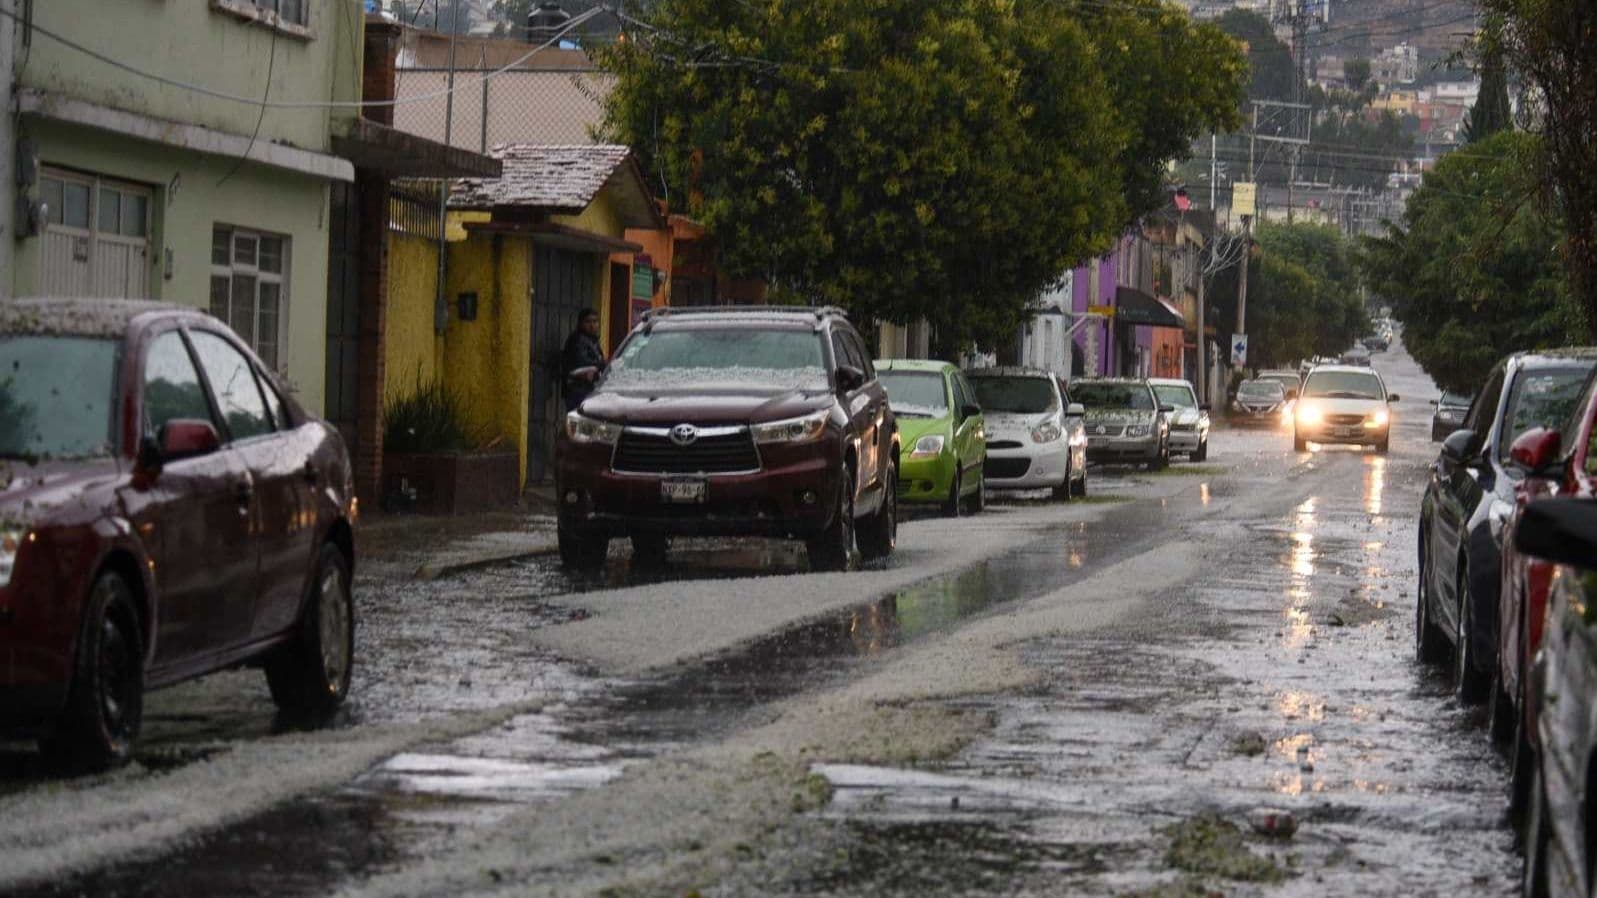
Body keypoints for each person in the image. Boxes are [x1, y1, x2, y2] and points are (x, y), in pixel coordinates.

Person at [562, 308, 606, 412]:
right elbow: (582, 361)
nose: (592, 325)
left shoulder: (592, 340)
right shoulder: (578, 340)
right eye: (588, 321)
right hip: (578, 389)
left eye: (595, 321)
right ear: (581, 323)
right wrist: (602, 364)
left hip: (588, 388)